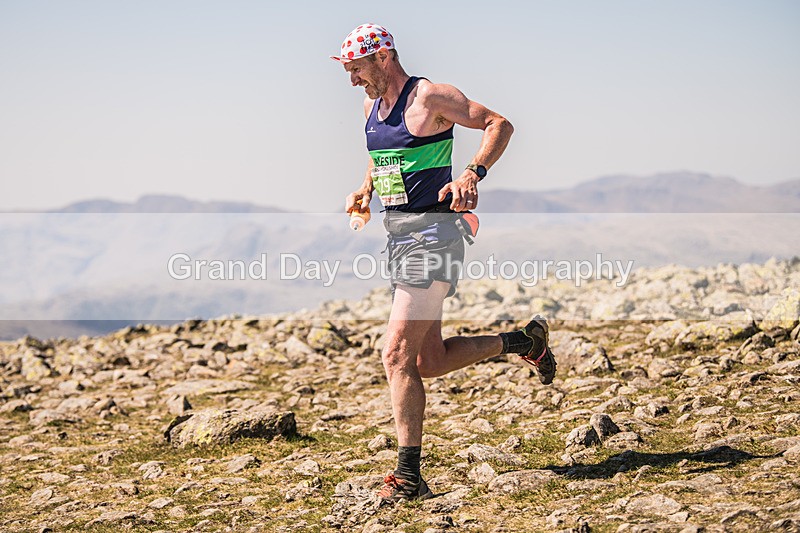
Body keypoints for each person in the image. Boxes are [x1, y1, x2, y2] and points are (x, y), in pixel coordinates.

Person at [332, 23, 557, 502]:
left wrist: (472, 173)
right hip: (398, 236)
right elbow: (384, 156)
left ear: (383, 57)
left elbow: (500, 123)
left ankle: (409, 476)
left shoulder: (431, 97)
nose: (352, 80)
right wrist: (366, 189)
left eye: (356, 70)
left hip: (434, 234)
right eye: (348, 72)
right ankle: (521, 340)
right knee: (427, 361)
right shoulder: (372, 107)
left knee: (394, 353)